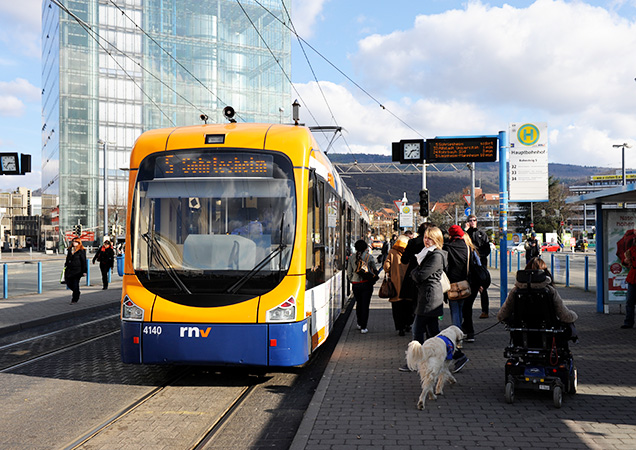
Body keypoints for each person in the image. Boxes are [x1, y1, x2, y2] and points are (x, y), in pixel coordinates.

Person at [498, 257, 578, 338]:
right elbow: (565, 316)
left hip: (521, 335)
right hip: (547, 335)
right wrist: (574, 315)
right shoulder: (550, 291)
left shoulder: (515, 291)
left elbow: (502, 315)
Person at [442, 224, 471, 372]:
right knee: (461, 309)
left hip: (452, 285)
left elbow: (445, 267)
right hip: (464, 284)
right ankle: (460, 335)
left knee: (454, 312)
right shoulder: (466, 247)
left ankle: (457, 339)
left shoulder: (447, 247)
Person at [346, 239, 378, 334]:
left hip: (356, 285)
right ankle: (364, 327)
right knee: (365, 305)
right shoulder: (369, 257)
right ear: (365, 248)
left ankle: (359, 323)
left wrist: (352, 280)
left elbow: (349, 272)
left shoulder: (352, 258)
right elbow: (374, 270)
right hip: (366, 284)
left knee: (358, 304)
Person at [383, 235, 412, 335]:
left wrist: (390, 271)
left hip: (396, 285)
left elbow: (386, 266)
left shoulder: (392, 251)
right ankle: (408, 324)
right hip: (408, 284)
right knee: (408, 306)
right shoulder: (410, 251)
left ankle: (400, 328)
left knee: (397, 308)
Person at [465, 214, 491, 319]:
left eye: (474, 220)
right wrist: (466, 230)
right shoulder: (466, 234)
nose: (472, 222)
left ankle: (485, 310)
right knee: (471, 287)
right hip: (470, 264)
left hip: (481, 264)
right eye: (470, 220)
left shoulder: (482, 234)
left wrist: (481, 256)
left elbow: (487, 248)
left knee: (483, 287)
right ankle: (467, 310)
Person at [65, 237, 87, 304]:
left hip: (77, 270)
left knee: (75, 284)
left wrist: (84, 271)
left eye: (76, 242)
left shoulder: (81, 251)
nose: (74, 243)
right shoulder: (70, 249)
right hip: (69, 269)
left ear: (79, 243)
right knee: (68, 283)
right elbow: (67, 259)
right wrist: (65, 266)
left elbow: (83, 261)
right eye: (73, 241)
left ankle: (75, 298)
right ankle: (76, 291)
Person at [621, 239, 636, 329]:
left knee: (630, 302)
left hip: (632, 277)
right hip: (633, 278)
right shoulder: (632, 250)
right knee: (630, 301)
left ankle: (628, 322)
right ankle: (628, 322)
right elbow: (624, 260)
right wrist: (626, 260)